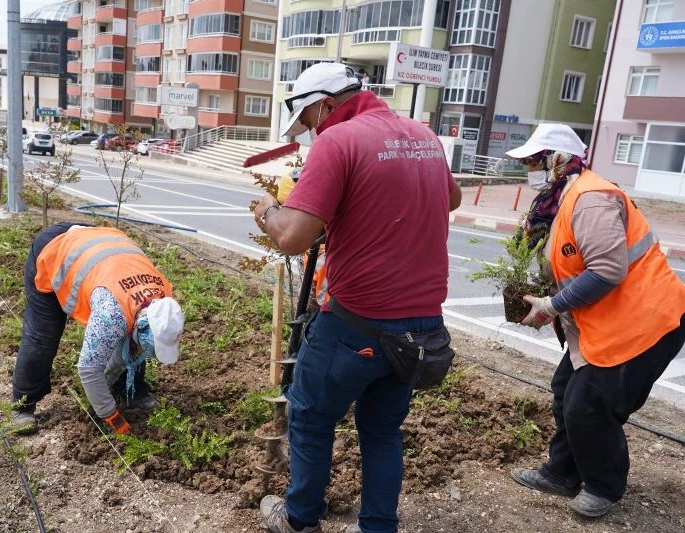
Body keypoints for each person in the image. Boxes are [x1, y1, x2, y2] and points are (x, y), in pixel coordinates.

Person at [253, 62, 462, 533]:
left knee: (309, 416)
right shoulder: (422, 136)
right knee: (383, 431)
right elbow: (451, 199)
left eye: (308, 122)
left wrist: (269, 210)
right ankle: (377, 527)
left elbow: (292, 238)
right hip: (422, 328)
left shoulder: (338, 140)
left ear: (327, 105)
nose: (309, 135)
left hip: (356, 323)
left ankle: (301, 520)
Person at [505, 124, 685, 518]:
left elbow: (606, 270)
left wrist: (552, 306)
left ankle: (605, 487)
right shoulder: (559, 199)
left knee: (589, 405)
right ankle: (562, 473)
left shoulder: (591, 199)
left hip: (643, 322)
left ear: (557, 160)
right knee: (565, 391)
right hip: (604, 321)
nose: (530, 169)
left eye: (535, 160)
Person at [11, 222, 185, 436]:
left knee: (131, 341)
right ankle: (23, 405)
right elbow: (89, 369)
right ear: (141, 324)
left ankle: (131, 391)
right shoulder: (111, 314)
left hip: (99, 243)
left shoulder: (163, 300)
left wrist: (105, 385)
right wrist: (109, 414)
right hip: (56, 250)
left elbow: (131, 347)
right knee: (43, 335)